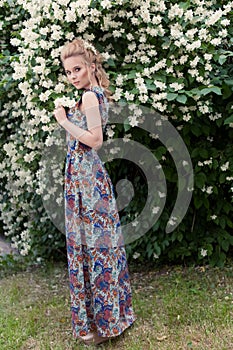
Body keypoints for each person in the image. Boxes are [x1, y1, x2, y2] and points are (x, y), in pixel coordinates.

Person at [54, 38, 136, 346]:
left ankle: (104, 324)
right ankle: (107, 319)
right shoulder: (89, 95)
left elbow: (95, 140)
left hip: (88, 177)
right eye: (68, 71)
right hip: (82, 177)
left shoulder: (90, 96)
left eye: (77, 69)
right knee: (95, 247)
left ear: (91, 67)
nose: (73, 76)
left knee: (95, 248)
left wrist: (63, 121)